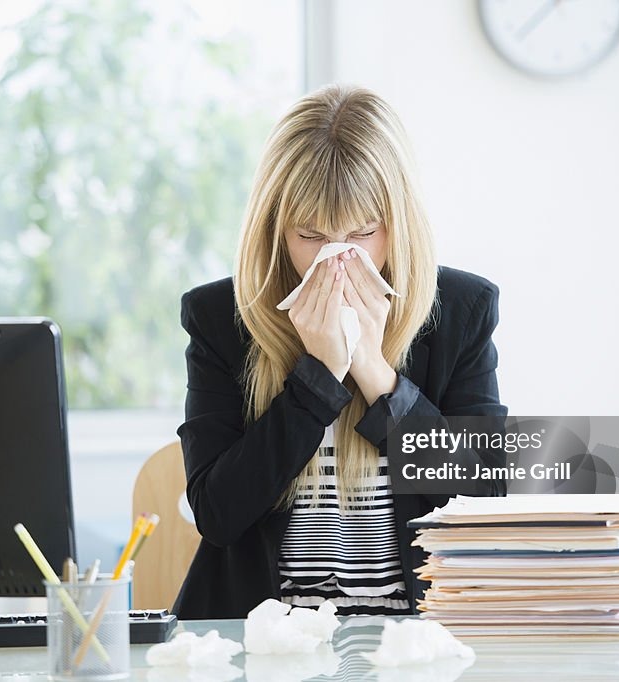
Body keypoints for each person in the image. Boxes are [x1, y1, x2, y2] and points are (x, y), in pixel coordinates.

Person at [172, 84, 507, 620]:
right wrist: (318, 380)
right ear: (275, 227)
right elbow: (218, 514)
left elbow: (482, 505)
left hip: (414, 636)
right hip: (268, 636)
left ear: (396, 224)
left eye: (362, 233)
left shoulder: (462, 310)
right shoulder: (219, 317)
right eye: (310, 236)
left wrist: (375, 372)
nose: (336, 260)